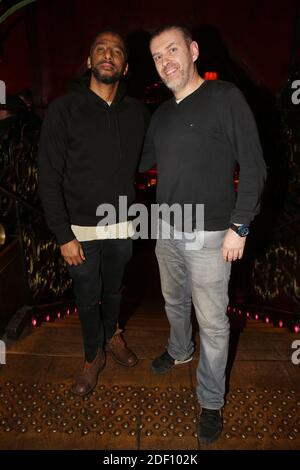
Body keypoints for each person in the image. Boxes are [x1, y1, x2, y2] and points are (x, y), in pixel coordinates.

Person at [140, 25, 266, 444]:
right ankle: (179, 350)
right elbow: (138, 163)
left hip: (212, 233)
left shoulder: (225, 97)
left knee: (212, 322)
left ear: (193, 51)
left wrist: (240, 225)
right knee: (173, 300)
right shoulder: (160, 113)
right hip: (167, 227)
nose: (166, 61)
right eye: (158, 56)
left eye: (172, 50)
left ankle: (210, 400)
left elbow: (254, 166)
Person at [38, 30, 149, 396]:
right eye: (100, 48)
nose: (108, 54)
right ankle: (91, 355)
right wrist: (63, 235)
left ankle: (113, 336)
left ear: (125, 65)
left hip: (121, 224)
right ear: (89, 61)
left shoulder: (137, 113)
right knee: (87, 295)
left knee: (115, 290)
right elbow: (48, 176)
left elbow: (151, 159)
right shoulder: (63, 109)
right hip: (79, 230)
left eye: (116, 51)